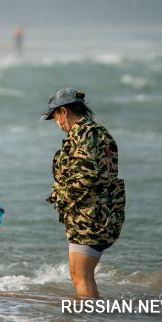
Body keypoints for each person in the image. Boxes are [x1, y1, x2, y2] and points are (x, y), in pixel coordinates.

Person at [44, 88, 125, 300]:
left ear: (64, 112)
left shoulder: (85, 134)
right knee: (79, 275)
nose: (56, 123)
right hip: (95, 214)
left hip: (91, 216)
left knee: (82, 277)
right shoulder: (95, 132)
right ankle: (88, 316)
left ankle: (90, 316)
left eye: (55, 116)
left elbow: (85, 176)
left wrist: (60, 198)